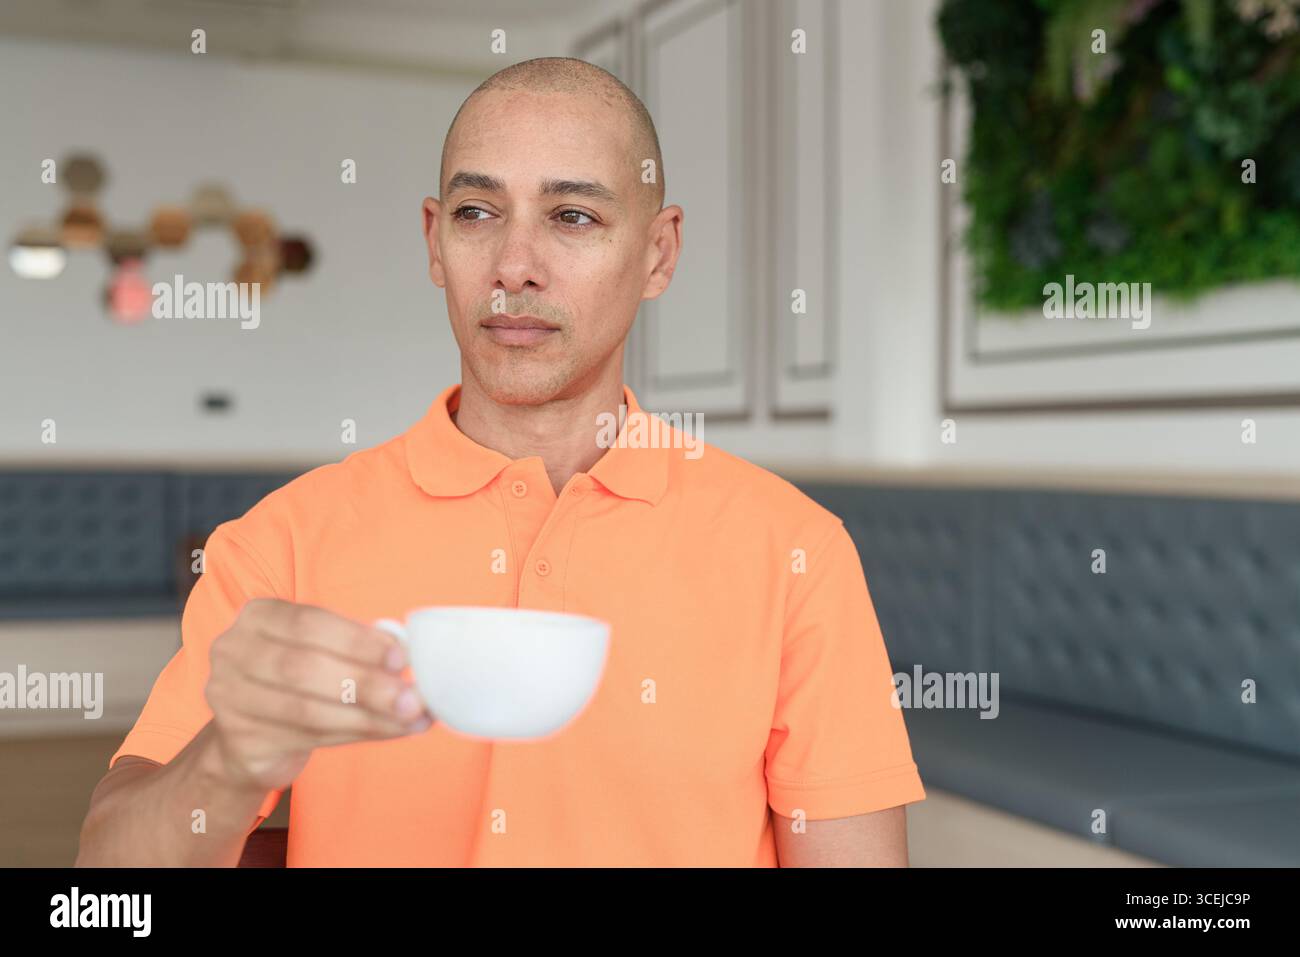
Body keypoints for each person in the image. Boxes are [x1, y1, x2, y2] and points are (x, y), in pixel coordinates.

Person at [75, 56, 924, 867]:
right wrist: (228, 759)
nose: (514, 268)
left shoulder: (796, 553)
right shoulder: (280, 543)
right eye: (477, 213)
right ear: (434, 242)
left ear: (658, 254)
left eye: (573, 216)